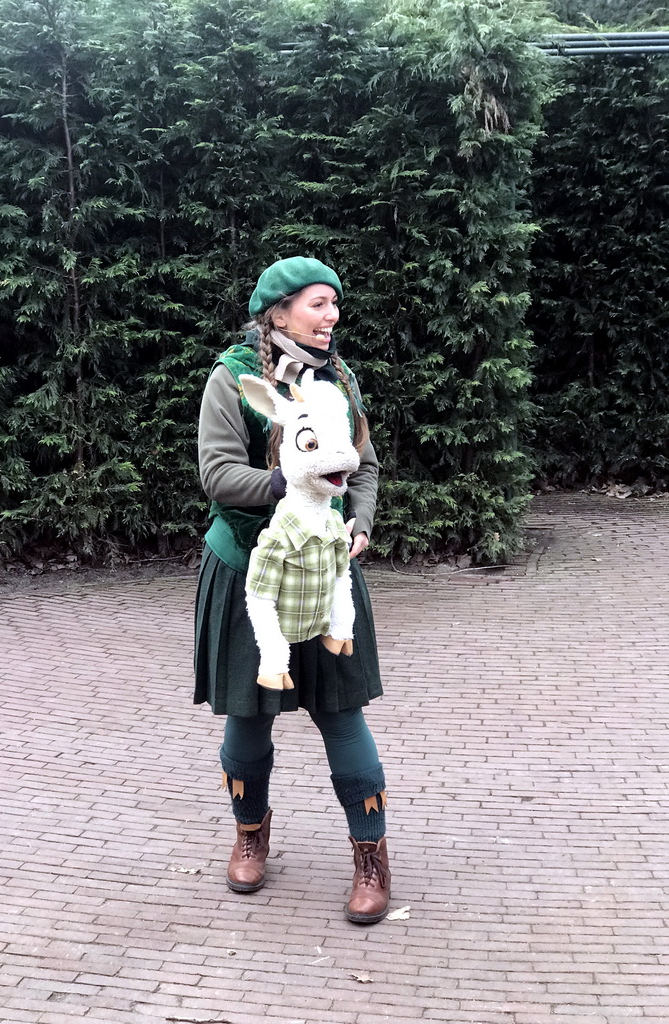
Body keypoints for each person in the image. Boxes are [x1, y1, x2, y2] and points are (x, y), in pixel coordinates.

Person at [194, 256, 391, 924]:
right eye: (317, 303)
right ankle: (250, 833)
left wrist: (358, 521)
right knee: (248, 715)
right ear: (277, 313)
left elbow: (362, 466)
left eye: (335, 303)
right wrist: (290, 482)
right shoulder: (233, 378)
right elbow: (218, 473)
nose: (332, 316)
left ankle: (371, 857)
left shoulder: (339, 378)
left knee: (343, 713)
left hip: (327, 568)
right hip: (249, 569)